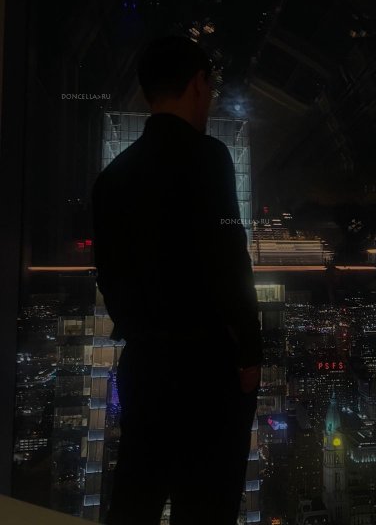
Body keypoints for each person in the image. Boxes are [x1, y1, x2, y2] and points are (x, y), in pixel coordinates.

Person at [92, 36, 262, 525]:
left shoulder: (112, 179)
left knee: (137, 497)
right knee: (207, 505)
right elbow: (229, 257)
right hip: (206, 366)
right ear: (197, 84)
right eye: (209, 87)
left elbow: (110, 275)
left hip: (144, 363)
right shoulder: (209, 158)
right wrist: (250, 352)